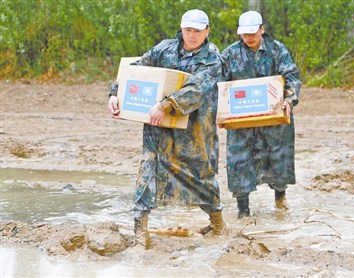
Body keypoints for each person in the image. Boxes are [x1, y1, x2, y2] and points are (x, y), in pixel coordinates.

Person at [108, 9, 226, 249]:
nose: (192, 36)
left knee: (199, 174)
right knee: (148, 169)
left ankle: (217, 223)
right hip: (157, 125)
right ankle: (140, 229)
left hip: (193, 129)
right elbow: (136, 68)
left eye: (197, 31)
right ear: (181, 29)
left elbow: (198, 89)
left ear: (207, 31)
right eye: (188, 30)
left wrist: (166, 104)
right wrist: (115, 93)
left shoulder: (213, 58)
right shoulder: (164, 48)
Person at [221, 11, 302, 218]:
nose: (248, 37)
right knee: (239, 160)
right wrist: (220, 111)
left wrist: (289, 99)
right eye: (244, 34)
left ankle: (280, 197)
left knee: (278, 158)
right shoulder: (230, 54)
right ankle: (243, 210)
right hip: (242, 120)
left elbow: (292, 77)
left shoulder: (277, 50)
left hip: (274, 119)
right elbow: (219, 85)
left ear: (261, 29)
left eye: (252, 33)